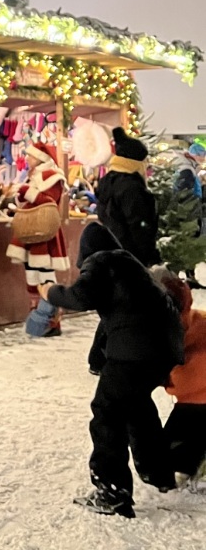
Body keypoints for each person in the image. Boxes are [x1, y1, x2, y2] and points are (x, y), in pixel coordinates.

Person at [39, 221, 184, 518]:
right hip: (162, 351)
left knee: (107, 413)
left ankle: (112, 491)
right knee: (137, 407)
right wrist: (97, 361)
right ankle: (159, 472)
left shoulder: (102, 260)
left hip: (134, 353)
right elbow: (111, 322)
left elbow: (80, 297)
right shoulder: (132, 268)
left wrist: (50, 292)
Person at [6, 140, 70, 337]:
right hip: (32, 230)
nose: (27, 158)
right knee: (32, 274)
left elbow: (48, 202)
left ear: (40, 158)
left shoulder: (53, 177)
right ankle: (37, 318)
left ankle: (51, 321)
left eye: (31, 155)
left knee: (45, 275)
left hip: (44, 232)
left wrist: (26, 191)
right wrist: (19, 195)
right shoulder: (34, 176)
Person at [158, 271, 206, 490]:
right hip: (191, 401)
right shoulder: (197, 319)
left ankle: (193, 466)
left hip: (195, 401)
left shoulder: (163, 331)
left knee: (175, 455)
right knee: (171, 454)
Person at [94, 127, 161, 265]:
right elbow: (139, 226)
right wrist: (149, 257)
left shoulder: (107, 181)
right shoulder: (131, 187)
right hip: (132, 257)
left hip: (111, 251)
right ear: (135, 162)